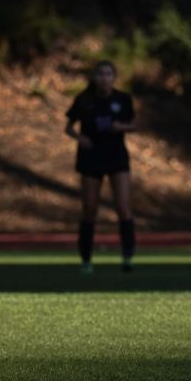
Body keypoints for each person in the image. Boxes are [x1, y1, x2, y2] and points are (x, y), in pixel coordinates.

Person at [64, 59, 137, 273]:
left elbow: (134, 124)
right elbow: (68, 126)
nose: (104, 78)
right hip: (91, 155)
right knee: (89, 209)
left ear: (114, 78)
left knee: (123, 206)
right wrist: (80, 138)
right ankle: (86, 259)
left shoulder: (122, 99)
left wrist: (120, 126)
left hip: (116, 155)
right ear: (94, 77)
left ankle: (128, 256)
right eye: (100, 74)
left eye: (108, 74)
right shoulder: (85, 99)